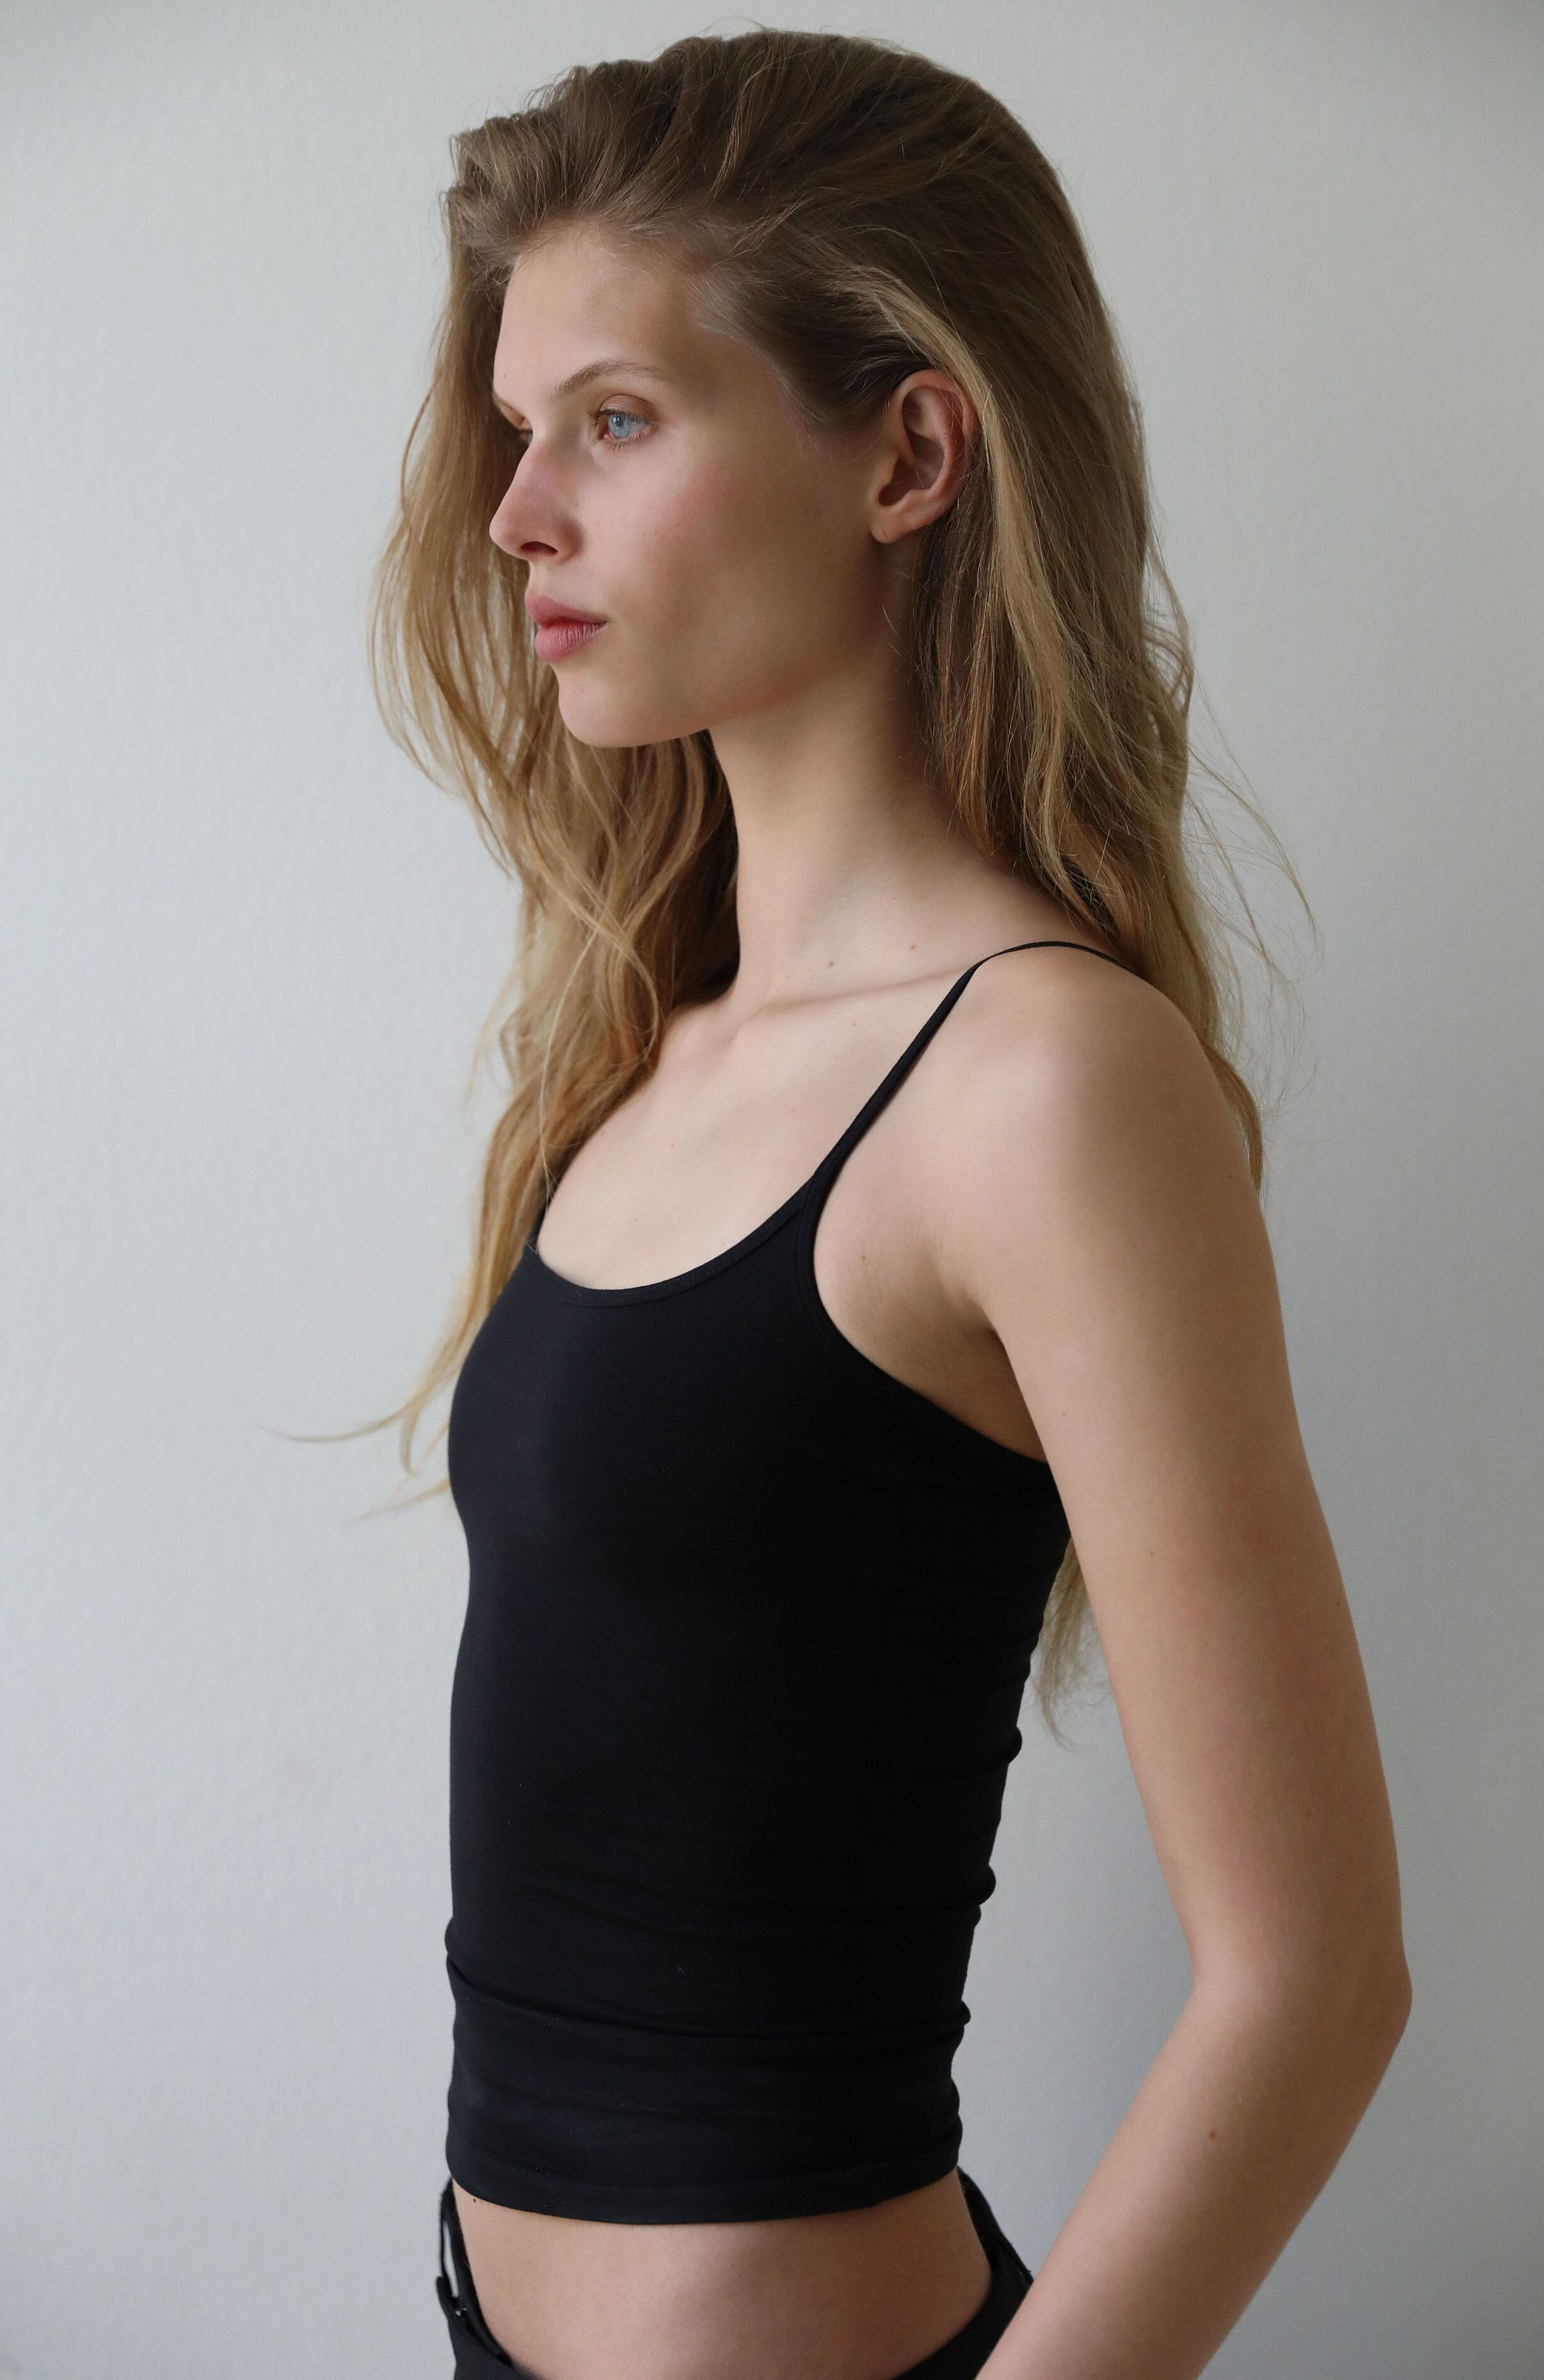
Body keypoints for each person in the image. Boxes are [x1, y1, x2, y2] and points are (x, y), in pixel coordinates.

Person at [366, 27, 1411, 2379]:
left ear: (907, 454)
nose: (518, 515)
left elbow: (1314, 1977)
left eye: (615, 420)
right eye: (519, 431)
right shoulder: (649, 1051)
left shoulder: (1044, 1085)